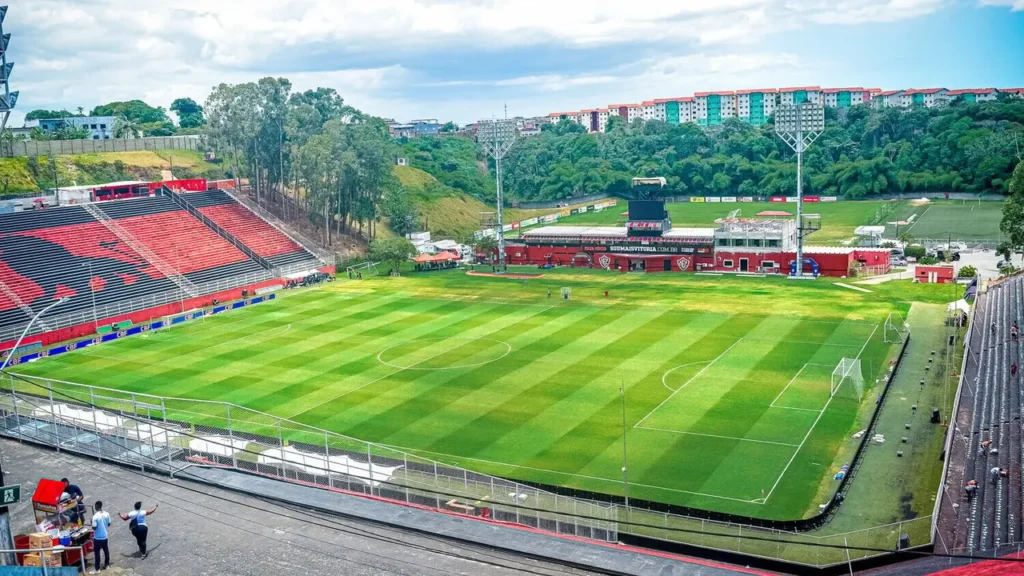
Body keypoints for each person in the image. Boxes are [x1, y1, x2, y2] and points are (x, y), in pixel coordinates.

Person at [90, 501, 111, 574]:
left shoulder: (95, 516)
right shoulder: (107, 514)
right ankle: (107, 565)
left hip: (98, 538)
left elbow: (94, 528)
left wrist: (91, 522)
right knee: (106, 551)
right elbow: (109, 524)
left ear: (96, 507)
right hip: (105, 537)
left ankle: (97, 569)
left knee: (97, 553)